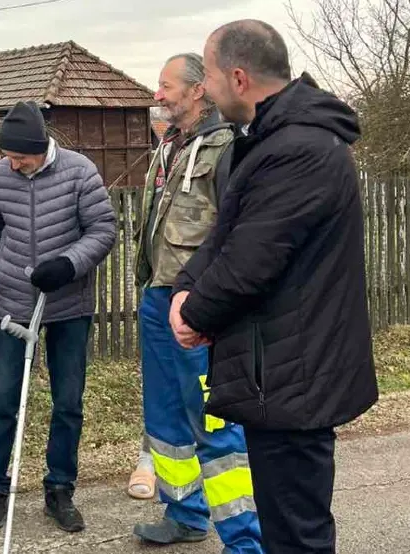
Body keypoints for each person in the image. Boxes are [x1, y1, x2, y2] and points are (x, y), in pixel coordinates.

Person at [169, 20, 379, 554]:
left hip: (296, 372)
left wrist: (196, 314)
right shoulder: (265, 142)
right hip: (276, 368)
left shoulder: (302, 149)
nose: (207, 91)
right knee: (284, 520)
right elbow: (226, 233)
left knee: (297, 532)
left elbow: (251, 261)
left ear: (237, 78)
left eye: (210, 77)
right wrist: (185, 288)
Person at [128, 53, 262, 553]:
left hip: (199, 304)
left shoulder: (227, 146)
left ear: (197, 90)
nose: (157, 95)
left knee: (214, 421)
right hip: (156, 297)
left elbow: (233, 233)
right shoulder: (170, 145)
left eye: (166, 86)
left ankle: (245, 539)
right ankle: (184, 513)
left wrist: (210, 302)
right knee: (164, 418)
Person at [0, 101, 117, 534]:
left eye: (19, 157)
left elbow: (104, 230)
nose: (12, 164)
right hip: (15, 299)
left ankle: (60, 490)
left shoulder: (80, 171)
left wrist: (68, 264)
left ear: (41, 147)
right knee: (2, 401)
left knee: (68, 403)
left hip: (68, 303)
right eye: (8, 157)